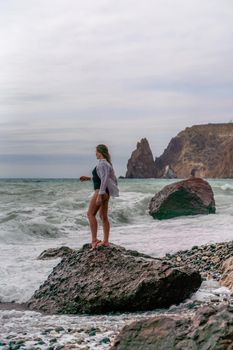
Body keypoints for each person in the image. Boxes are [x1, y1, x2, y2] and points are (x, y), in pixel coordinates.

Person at [80, 144, 119, 250]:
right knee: (103, 216)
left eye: (96, 151)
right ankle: (105, 241)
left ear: (100, 152)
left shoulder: (102, 164)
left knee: (90, 214)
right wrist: (88, 178)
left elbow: (105, 179)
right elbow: (104, 178)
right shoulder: (106, 164)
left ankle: (94, 240)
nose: (95, 154)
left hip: (100, 192)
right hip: (106, 192)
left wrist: (100, 195)